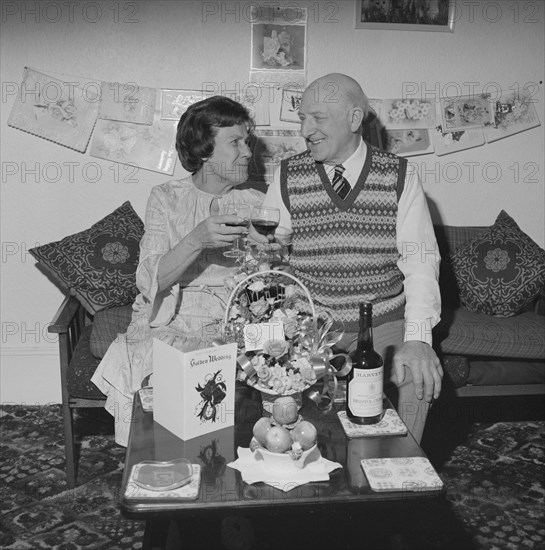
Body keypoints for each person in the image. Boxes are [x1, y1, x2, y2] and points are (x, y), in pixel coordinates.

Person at [253, 73, 443, 443]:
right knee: (297, 413)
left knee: (416, 378)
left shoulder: (400, 175)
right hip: (312, 326)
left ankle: (399, 484)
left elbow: (421, 262)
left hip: (384, 322)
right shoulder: (288, 175)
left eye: (317, 118)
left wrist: (418, 339)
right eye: (302, 119)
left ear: (355, 119)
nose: (306, 130)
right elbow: (269, 258)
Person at [91, 96, 263, 446]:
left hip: (238, 324)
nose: (247, 151)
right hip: (175, 320)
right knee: (163, 424)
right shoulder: (166, 198)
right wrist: (197, 239)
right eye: (235, 142)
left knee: (230, 431)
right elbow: (149, 280)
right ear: (203, 150)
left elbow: (272, 281)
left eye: (248, 141)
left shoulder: (261, 203)